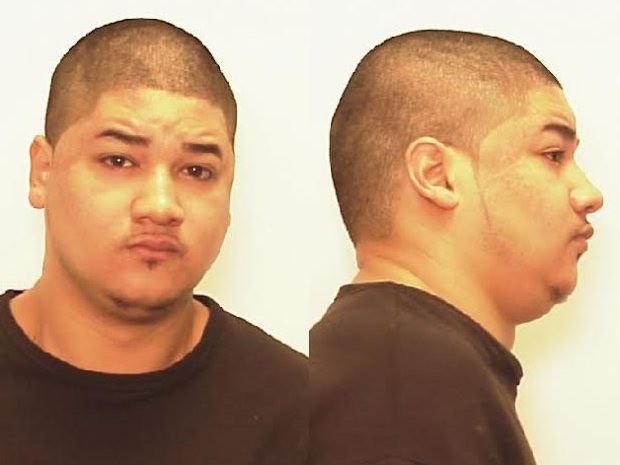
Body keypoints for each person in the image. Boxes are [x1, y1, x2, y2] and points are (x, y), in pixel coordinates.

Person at [0, 18, 306, 465]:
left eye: (197, 171)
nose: (161, 205)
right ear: (41, 171)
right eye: (119, 160)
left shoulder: (309, 421)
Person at [310, 30, 603, 465]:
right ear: (437, 175)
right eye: (552, 154)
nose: (589, 194)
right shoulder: (406, 381)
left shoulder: (392, 367)